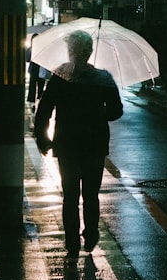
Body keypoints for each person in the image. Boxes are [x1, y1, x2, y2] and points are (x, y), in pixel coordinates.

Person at [34, 30, 123, 257]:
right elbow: (116, 111)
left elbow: (44, 109)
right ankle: (91, 235)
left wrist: (44, 138)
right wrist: (99, 112)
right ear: (90, 51)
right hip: (94, 145)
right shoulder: (103, 78)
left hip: (67, 144)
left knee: (70, 196)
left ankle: (72, 242)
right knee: (91, 195)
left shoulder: (61, 76)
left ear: (71, 52)